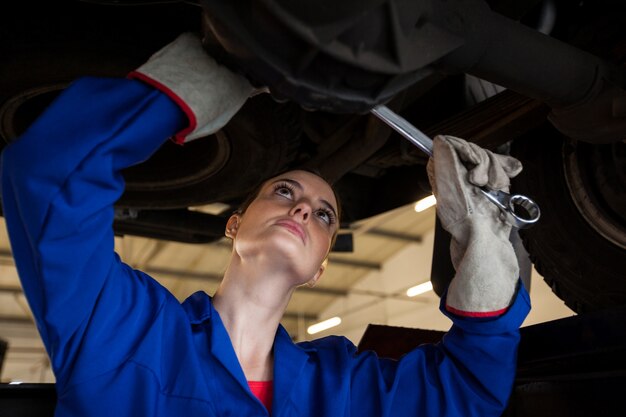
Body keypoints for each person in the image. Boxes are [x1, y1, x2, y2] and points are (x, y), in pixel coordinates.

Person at [0, 33, 530, 416]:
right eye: (284, 191)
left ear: (320, 267)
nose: (302, 208)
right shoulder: (130, 331)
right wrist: (204, 80)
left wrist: (485, 250)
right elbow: (50, 171)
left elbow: (465, 392)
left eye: (323, 214)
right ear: (234, 224)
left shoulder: (343, 388)